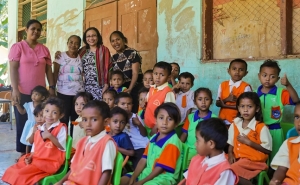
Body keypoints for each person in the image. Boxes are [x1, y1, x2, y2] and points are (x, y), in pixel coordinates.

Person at [9, 19, 55, 155]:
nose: (36, 31)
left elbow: (48, 70)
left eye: (38, 30)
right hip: (22, 92)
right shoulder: (18, 47)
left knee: (41, 122)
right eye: (33, 29)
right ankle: (23, 153)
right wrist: (15, 89)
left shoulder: (44, 49)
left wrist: (52, 87)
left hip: (41, 95)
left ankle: (38, 151)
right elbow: (13, 68)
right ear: (26, 30)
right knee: (23, 122)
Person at [2, 98, 67, 184]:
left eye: (54, 112)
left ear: (61, 115)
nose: (49, 115)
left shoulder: (61, 127)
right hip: (37, 158)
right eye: (47, 111)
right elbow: (36, 146)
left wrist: (50, 136)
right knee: (12, 170)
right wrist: (31, 156)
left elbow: (63, 148)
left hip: (49, 162)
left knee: (20, 175)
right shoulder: (40, 127)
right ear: (43, 112)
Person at [55, 100, 117, 185]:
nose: (88, 124)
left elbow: (106, 172)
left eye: (94, 119)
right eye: (84, 120)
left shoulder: (106, 143)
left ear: (106, 122)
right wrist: (60, 182)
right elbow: (74, 168)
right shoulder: (83, 142)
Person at [120, 102, 183, 185]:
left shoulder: (173, 142)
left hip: (163, 178)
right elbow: (143, 159)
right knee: (121, 181)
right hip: (148, 173)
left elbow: (160, 168)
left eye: (170, 119)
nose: (164, 122)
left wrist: (142, 182)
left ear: (176, 124)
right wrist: (133, 177)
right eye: (161, 118)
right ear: (156, 120)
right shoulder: (153, 138)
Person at [257, 59, 299, 160]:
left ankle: (274, 175)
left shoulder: (281, 93)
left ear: (277, 79)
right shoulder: (254, 94)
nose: (268, 79)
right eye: (264, 75)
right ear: (259, 76)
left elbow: (296, 100)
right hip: (259, 130)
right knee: (260, 156)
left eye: (272, 76)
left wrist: (287, 85)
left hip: (275, 131)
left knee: (276, 158)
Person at [228, 92, 272, 185]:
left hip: (254, 161)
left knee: (230, 171)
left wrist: (249, 142)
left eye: (249, 106)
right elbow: (231, 143)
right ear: (238, 108)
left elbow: (268, 150)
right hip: (237, 158)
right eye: (242, 106)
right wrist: (230, 154)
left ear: (257, 109)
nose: (245, 110)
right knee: (220, 164)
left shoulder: (261, 127)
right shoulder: (235, 124)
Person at [179, 118, 238, 185]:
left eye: (197, 140)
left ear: (211, 144)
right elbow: (187, 180)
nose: (195, 144)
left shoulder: (224, 172)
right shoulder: (196, 159)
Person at [53, 35, 84, 137]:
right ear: (67, 43)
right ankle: (63, 142)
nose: (73, 45)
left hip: (78, 94)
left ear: (79, 45)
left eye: (76, 43)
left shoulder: (81, 57)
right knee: (64, 119)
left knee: (76, 120)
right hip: (63, 93)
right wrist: (52, 88)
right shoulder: (60, 56)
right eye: (71, 42)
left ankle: (74, 144)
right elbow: (55, 73)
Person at [180, 88, 217, 165]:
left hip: (205, 153)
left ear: (211, 102)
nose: (203, 102)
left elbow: (215, 139)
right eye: (200, 99)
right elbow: (184, 134)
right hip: (188, 151)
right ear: (195, 102)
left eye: (206, 99)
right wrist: (178, 146)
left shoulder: (214, 119)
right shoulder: (190, 117)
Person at [110, 31, 144, 113]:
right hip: (122, 90)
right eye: (113, 41)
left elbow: (135, 73)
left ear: (123, 40)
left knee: (134, 111)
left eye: (118, 39)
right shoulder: (113, 58)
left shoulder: (133, 53)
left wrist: (130, 89)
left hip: (135, 87)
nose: (115, 43)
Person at [269, 101, 300, 185]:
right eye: (297, 117)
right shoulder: (289, 144)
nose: (299, 123)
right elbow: (282, 168)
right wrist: (276, 180)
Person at [116, 92, 149, 169]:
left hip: (140, 146)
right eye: (123, 104)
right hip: (128, 148)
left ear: (132, 105)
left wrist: (139, 124)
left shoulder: (135, 117)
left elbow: (144, 134)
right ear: (116, 105)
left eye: (129, 104)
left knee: (139, 168)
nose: (126, 106)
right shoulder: (115, 118)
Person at [216, 59, 252, 126]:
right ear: (228, 71)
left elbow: (245, 106)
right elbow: (217, 103)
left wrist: (225, 105)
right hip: (222, 120)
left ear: (245, 73)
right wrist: (227, 99)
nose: (237, 72)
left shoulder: (246, 87)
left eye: (241, 70)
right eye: (234, 69)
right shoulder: (222, 85)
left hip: (238, 120)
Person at [14, 85, 49, 154]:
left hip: (40, 125)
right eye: (33, 93)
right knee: (28, 142)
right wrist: (17, 105)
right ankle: (26, 155)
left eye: (37, 94)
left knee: (38, 141)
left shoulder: (44, 106)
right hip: (29, 125)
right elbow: (22, 112)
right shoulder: (29, 104)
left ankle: (37, 154)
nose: (33, 96)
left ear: (43, 97)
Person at [144, 61, 175, 136]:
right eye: (155, 74)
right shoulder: (152, 88)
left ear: (168, 77)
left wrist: (156, 126)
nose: (157, 77)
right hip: (147, 125)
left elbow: (168, 113)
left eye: (162, 75)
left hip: (158, 129)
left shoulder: (168, 92)